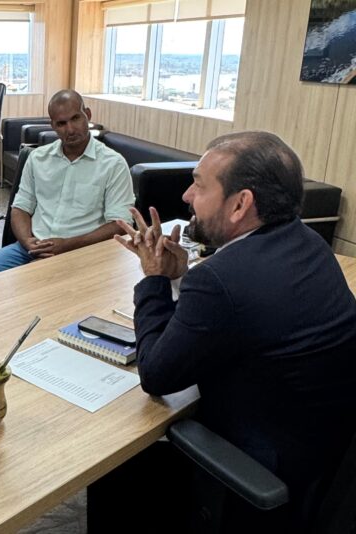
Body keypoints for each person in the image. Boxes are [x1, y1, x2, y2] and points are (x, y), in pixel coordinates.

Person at [89, 131, 356, 532]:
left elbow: (156, 375)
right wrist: (183, 276)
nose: (186, 197)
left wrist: (154, 280)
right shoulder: (309, 243)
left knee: (112, 463)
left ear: (240, 204)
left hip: (258, 473)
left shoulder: (220, 280)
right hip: (321, 458)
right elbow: (242, 310)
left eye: (198, 184)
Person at [0, 89, 135, 279]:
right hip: (30, 248)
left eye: (75, 118)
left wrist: (67, 245)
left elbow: (119, 225)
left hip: (81, 252)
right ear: (53, 126)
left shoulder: (113, 164)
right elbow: (20, 208)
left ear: (87, 115)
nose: (71, 129)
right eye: (62, 123)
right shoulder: (38, 158)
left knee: (39, 292)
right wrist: (29, 243)